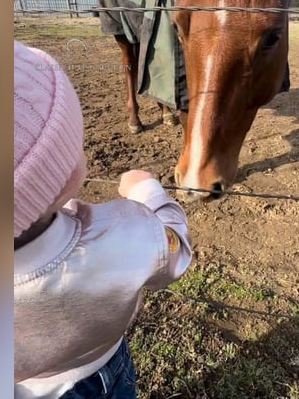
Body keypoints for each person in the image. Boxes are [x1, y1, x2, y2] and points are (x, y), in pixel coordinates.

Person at [13, 41, 192, 399]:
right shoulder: (119, 234)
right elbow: (174, 247)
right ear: (62, 175)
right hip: (106, 373)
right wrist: (149, 193)